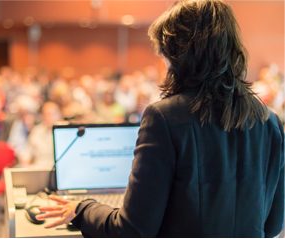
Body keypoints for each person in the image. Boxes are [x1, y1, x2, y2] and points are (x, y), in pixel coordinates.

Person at [35, 0, 284, 237]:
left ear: (179, 57)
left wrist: (81, 209)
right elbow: (272, 225)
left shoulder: (164, 118)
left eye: (165, 55)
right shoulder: (271, 122)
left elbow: (132, 230)